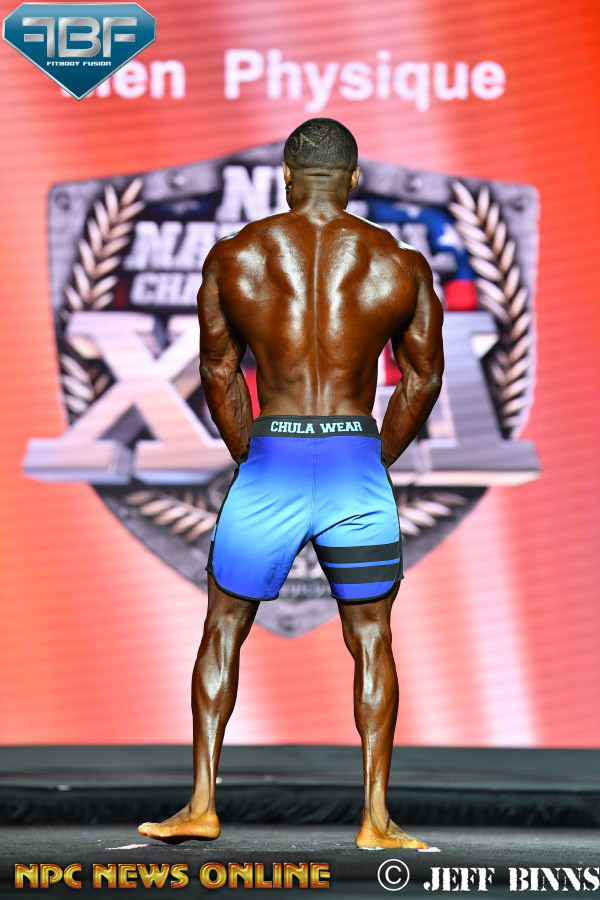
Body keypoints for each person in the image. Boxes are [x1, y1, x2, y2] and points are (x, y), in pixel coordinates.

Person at [138, 118, 444, 850]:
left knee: (223, 626)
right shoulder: (398, 264)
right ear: (355, 178)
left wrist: (252, 452)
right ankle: (375, 819)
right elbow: (423, 378)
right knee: (371, 637)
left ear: (284, 173)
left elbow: (218, 369)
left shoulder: (237, 256)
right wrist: (374, 456)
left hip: (271, 459)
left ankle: (202, 804)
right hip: (352, 464)